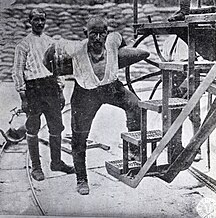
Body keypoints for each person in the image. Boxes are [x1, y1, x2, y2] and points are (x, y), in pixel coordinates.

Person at [44, 17, 150, 195]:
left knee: (136, 106)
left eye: (102, 34)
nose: (98, 38)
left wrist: (122, 53)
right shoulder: (76, 48)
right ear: (86, 34)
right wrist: (53, 67)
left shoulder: (112, 41)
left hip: (111, 88)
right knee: (79, 137)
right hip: (85, 94)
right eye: (93, 34)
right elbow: (53, 51)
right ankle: (81, 179)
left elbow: (120, 40)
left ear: (106, 34)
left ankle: (134, 150)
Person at [12, 8, 75, 181]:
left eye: (42, 20)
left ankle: (56, 162)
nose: (40, 23)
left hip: (51, 87)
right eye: (36, 20)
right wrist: (23, 97)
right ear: (30, 21)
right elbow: (17, 72)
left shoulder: (50, 43)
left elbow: (57, 68)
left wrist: (60, 91)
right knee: (32, 126)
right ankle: (36, 167)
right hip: (33, 89)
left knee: (56, 126)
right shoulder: (23, 45)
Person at [163, 34, 202, 162]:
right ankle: (177, 148)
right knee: (177, 114)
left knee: (193, 114)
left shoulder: (173, 40)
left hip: (185, 76)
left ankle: (195, 148)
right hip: (177, 77)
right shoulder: (171, 41)